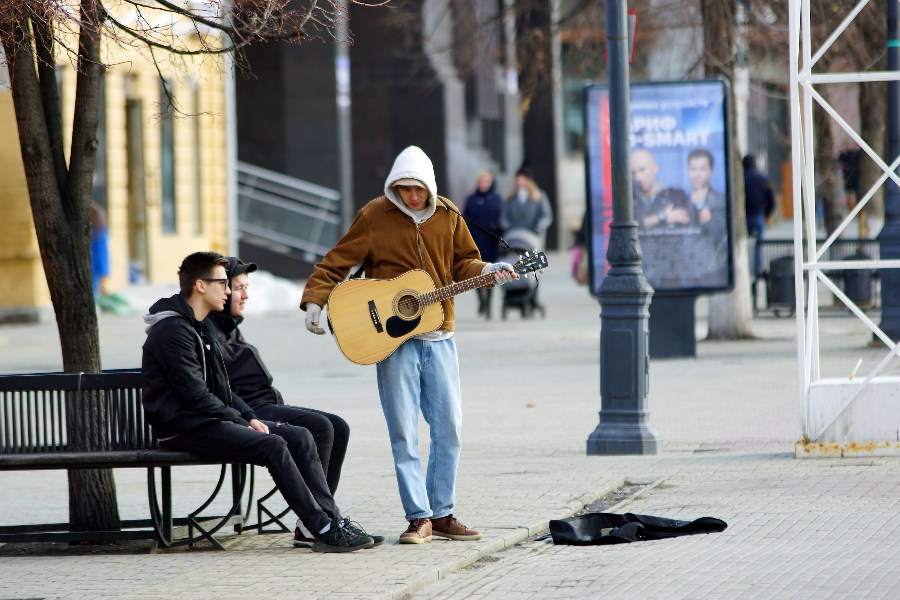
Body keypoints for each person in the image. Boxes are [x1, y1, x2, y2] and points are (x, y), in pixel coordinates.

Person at [300, 145, 518, 545]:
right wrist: (315, 301)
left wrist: (488, 270)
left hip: (440, 335)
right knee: (403, 431)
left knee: (449, 427)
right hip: (392, 342)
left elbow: (463, 263)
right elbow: (336, 262)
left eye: (418, 190)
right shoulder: (374, 215)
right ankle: (418, 518)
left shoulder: (448, 214)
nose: (411, 197)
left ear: (430, 186)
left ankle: (444, 513)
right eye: (403, 189)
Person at [141, 251, 377, 553]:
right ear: (200, 285)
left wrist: (248, 416)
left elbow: (221, 388)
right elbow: (195, 395)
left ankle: (328, 522)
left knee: (303, 435)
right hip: (184, 427)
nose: (228, 291)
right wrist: (243, 421)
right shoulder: (174, 331)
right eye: (223, 284)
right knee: (275, 444)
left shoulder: (196, 327)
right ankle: (322, 527)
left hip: (204, 420)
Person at [207, 256, 370, 547]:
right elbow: (218, 388)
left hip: (263, 403)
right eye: (239, 287)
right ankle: (318, 521)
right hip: (248, 411)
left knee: (338, 427)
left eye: (247, 287)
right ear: (222, 289)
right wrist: (248, 415)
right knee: (319, 428)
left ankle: (315, 520)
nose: (246, 295)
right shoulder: (209, 331)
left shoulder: (230, 325)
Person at [463, 171, 503, 319]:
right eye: (481, 181)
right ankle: (481, 299)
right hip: (475, 241)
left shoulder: (497, 199)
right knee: (476, 271)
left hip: (491, 242)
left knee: (492, 272)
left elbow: (501, 220)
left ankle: (489, 305)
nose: (484, 184)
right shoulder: (471, 199)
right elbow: (465, 220)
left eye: (487, 181)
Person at [630, 148, 691, 231]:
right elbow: (631, 229)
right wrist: (662, 217)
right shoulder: (629, 200)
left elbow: (686, 226)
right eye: (633, 173)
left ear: (655, 167)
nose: (638, 178)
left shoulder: (675, 195)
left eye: (642, 170)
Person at [500, 165, 553, 245]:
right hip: (514, 238)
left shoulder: (539, 195)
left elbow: (546, 215)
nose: (520, 181)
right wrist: (509, 228)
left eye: (523, 178)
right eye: (518, 178)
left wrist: (538, 227)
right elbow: (503, 217)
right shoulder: (510, 197)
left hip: (534, 237)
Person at [743, 154, 776, 275]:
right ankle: (757, 269)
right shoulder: (763, 178)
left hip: (744, 217)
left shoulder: (741, 179)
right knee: (758, 245)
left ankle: (744, 269)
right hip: (758, 215)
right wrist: (766, 214)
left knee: (742, 244)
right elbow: (772, 201)